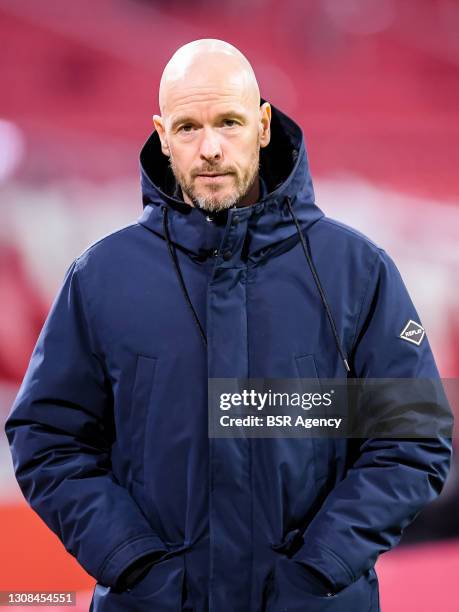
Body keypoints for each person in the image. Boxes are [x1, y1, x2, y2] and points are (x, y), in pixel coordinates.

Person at [4, 39, 453, 612]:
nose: (210, 148)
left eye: (229, 122)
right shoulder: (99, 278)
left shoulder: (357, 272)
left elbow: (412, 436)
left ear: (263, 125)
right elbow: (47, 436)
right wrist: (130, 558)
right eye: (188, 127)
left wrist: (322, 567)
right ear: (162, 135)